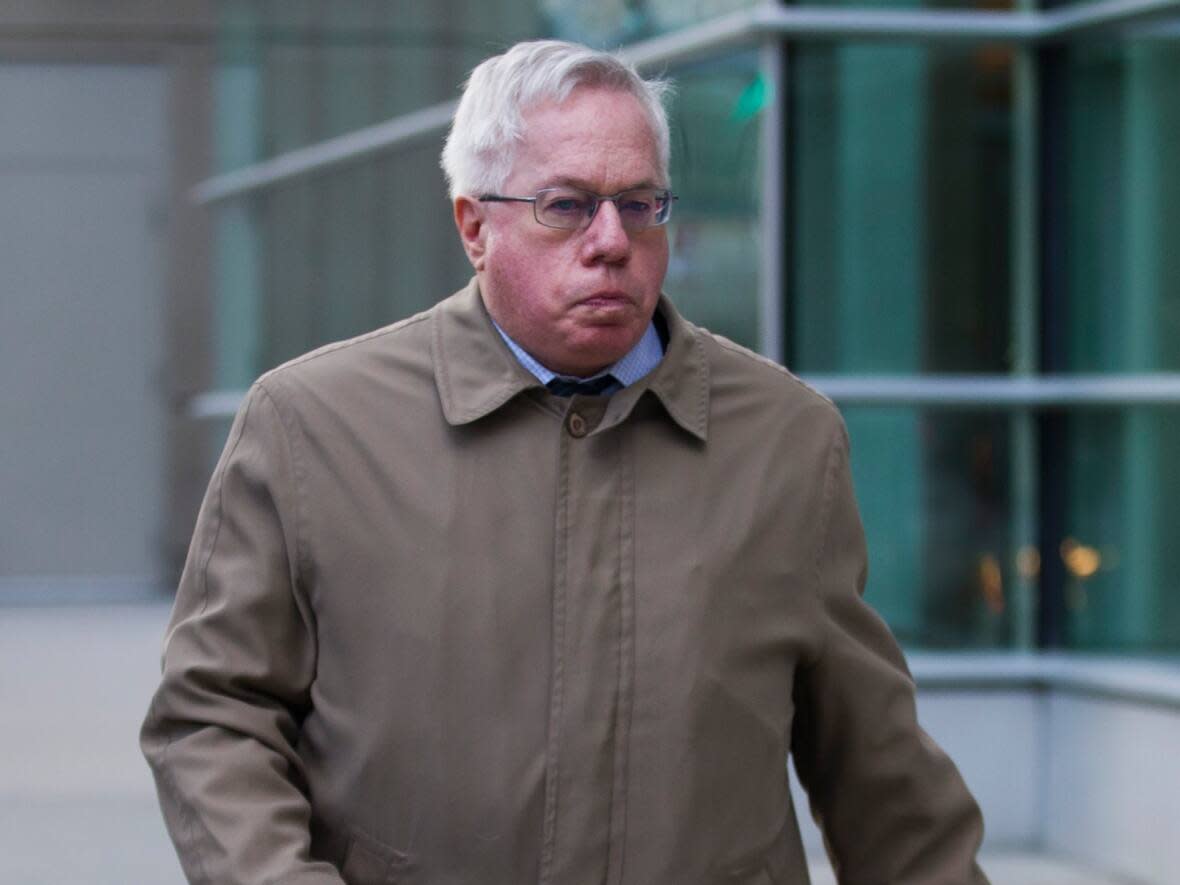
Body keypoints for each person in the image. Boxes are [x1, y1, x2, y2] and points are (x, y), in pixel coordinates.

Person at [142, 39, 989, 885]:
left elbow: (878, 771)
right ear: (475, 225)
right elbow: (213, 716)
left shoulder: (786, 438)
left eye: (642, 202)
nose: (612, 240)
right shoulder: (311, 426)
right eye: (567, 205)